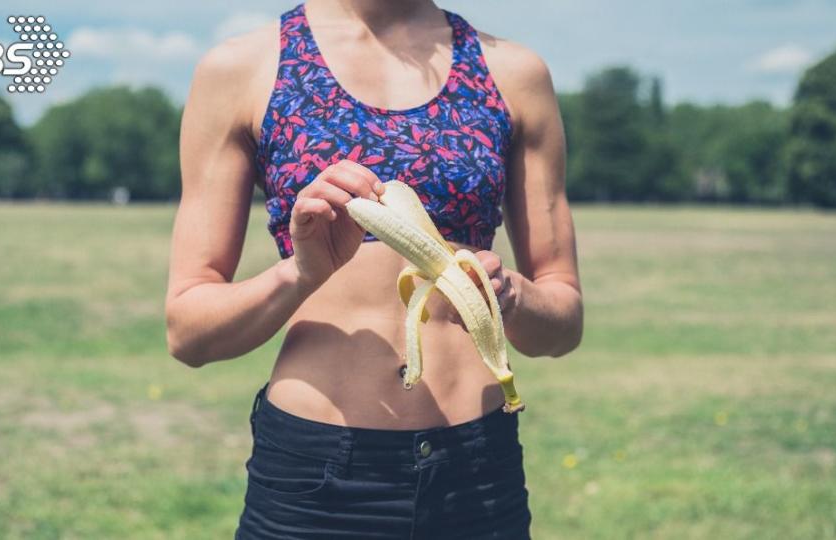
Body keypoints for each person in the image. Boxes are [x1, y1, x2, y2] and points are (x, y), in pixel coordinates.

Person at [165, 0, 582, 537]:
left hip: (475, 469)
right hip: (317, 474)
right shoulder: (244, 68)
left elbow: (564, 320)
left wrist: (512, 297)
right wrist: (301, 273)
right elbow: (188, 332)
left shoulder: (514, 73)